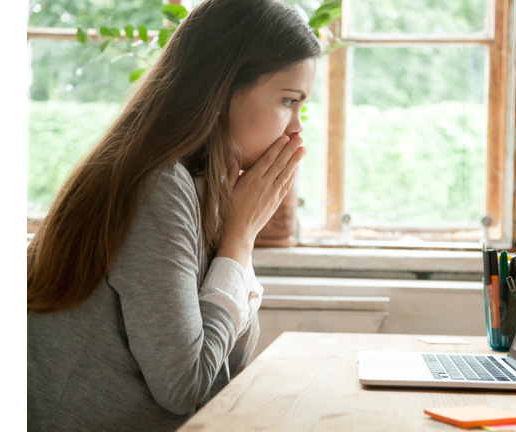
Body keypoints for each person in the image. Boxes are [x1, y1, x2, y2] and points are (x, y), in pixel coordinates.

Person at [26, 0, 320, 430]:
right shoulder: (159, 186)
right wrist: (238, 240)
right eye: (288, 101)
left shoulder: (202, 186)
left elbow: (225, 370)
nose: (296, 130)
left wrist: (239, 231)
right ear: (222, 91)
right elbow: (187, 388)